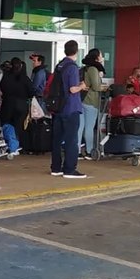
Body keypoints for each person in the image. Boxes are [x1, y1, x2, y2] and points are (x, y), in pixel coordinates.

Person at [51, 40, 88, 179]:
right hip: (70, 108)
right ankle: (69, 170)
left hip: (58, 108)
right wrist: (82, 86)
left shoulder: (59, 65)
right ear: (76, 51)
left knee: (57, 139)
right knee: (72, 140)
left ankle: (55, 168)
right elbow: (73, 89)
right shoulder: (72, 67)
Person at [0, 57, 33, 157]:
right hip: (21, 105)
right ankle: (17, 145)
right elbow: (32, 92)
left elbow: (2, 88)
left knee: (7, 124)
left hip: (8, 104)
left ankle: (11, 145)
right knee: (19, 126)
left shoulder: (6, 77)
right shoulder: (25, 78)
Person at [78, 49, 105, 160]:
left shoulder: (84, 68)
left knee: (79, 127)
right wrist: (104, 87)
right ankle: (89, 151)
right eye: (101, 55)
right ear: (97, 57)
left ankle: (77, 151)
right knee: (89, 128)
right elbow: (96, 87)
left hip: (81, 99)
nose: (102, 57)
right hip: (90, 101)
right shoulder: (93, 69)